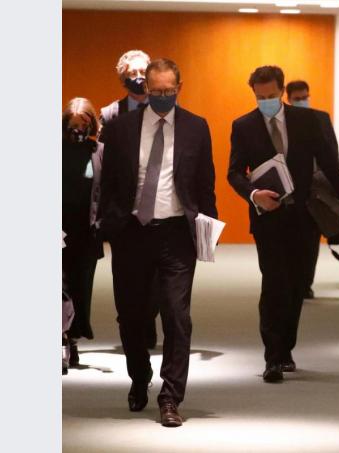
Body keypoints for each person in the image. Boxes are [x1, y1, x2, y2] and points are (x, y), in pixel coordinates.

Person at [99, 58, 218, 427]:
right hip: (132, 232)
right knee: (132, 317)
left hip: (176, 234)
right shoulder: (121, 128)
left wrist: (207, 233)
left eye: (170, 91)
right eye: (157, 92)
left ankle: (170, 397)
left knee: (177, 316)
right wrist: (108, 225)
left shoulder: (197, 128)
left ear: (179, 88)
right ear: (145, 89)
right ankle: (139, 377)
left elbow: (204, 183)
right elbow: (109, 183)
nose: (164, 97)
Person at [228, 66, 339, 384]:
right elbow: (233, 173)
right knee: (273, 285)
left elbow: (328, 162)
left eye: (271, 96)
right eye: (260, 97)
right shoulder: (244, 126)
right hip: (268, 217)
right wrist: (254, 194)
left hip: (304, 216)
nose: (266, 101)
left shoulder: (307, 121)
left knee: (298, 285)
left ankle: (286, 349)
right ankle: (273, 356)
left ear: (282, 92)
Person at [99, 49, 160, 350]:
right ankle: (131, 327)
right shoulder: (110, 114)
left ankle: (147, 321)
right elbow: (102, 165)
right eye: (130, 74)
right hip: (124, 209)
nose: (137, 79)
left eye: (141, 73)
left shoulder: (164, 107)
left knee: (157, 279)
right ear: (122, 77)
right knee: (126, 277)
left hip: (159, 203)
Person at [286, 79, 339, 300]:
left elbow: (332, 153)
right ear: (288, 99)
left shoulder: (321, 118)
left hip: (316, 189)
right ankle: (290, 281)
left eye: (305, 97)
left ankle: (305, 284)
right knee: (290, 241)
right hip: (288, 189)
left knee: (311, 240)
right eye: (297, 99)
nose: (302, 101)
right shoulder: (282, 120)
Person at [62, 98, 104, 370]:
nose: (78, 130)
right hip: (59, 229)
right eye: (73, 125)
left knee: (81, 287)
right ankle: (62, 339)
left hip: (87, 231)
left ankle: (74, 335)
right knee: (59, 286)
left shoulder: (99, 151)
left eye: (83, 125)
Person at [100, 50, 150, 128]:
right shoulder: (109, 115)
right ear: (123, 81)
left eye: (143, 72)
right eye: (133, 74)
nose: (139, 77)